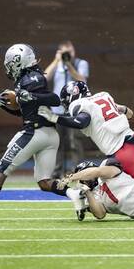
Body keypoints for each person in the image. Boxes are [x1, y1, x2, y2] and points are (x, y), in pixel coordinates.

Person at [0, 44, 86, 222]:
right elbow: (24, 111)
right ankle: (74, 194)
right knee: (45, 183)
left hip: (34, 133)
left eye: (10, 64)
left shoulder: (31, 78)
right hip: (49, 135)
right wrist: (8, 106)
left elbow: (54, 99)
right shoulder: (27, 79)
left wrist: (25, 97)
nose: (9, 68)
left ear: (18, 62)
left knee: (1, 171)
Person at [38, 80, 134, 187]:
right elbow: (130, 114)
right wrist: (120, 108)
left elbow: (82, 122)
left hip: (122, 151)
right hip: (132, 141)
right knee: (111, 182)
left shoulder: (79, 104)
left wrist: (55, 118)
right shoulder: (103, 96)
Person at [43, 41, 89, 176]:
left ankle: (78, 171)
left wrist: (69, 64)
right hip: (57, 110)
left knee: (75, 142)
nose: (69, 54)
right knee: (56, 143)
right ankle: (56, 171)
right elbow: (44, 78)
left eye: (71, 51)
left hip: (74, 111)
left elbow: (82, 80)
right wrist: (56, 60)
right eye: (65, 52)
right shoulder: (57, 65)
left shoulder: (81, 63)